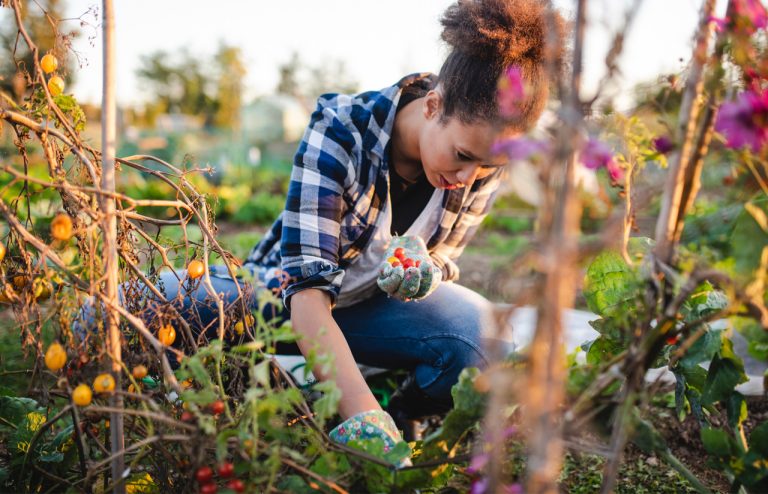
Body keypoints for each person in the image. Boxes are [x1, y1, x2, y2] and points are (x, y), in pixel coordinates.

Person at [75, 0, 564, 462]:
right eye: (462, 156)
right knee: (111, 313)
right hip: (273, 302)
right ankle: (353, 405)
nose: (468, 178)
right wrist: (359, 409)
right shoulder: (341, 131)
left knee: (482, 342)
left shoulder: (481, 161)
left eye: (487, 165)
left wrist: (427, 271)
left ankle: (397, 408)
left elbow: (441, 258)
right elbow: (306, 296)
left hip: (369, 311)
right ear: (434, 106)